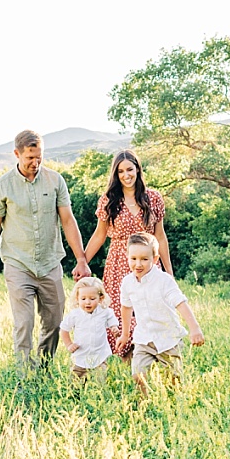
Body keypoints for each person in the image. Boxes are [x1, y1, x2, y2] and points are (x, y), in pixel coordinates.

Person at [0, 131, 88, 367]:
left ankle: (43, 369)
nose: (35, 162)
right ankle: (23, 377)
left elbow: (68, 220)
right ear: (17, 154)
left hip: (50, 263)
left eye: (39, 156)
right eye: (30, 157)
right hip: (19, 265)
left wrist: (81, 259)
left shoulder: (55, 180)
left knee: (55, 322)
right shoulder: (2, 187)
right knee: (24, 324)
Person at [82, 150, 173, 358]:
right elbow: (99, 235)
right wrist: (82, 261)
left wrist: (168, 271)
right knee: (124, 319)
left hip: (148, 264)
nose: (126, 175)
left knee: (149, 316)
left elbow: (160, 237)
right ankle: (131, 369)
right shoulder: (108, 200)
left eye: (129, 169)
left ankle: (153, 364)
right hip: (118, 265)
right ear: (115, 174)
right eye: (120, 171)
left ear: (137, 169)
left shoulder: (153, 198)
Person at [120, 233, 204, 398]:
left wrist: (195, 329)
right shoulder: (127, 282)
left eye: (144, 259)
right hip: (143, 338)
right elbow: (126, 307)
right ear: (127, 256)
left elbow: (181, 303)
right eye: (134, 258)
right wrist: (125, 334)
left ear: (155, 258)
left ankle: (174, 407)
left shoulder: (164, 281)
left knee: (174, 381)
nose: (138, 264)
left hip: (168, 339)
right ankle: (143, 405)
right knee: (138, 375)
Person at [59, 274, 119, 381]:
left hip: (99, 356)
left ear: (100, 298)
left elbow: (112, 321)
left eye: (92, 298)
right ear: (77, 298)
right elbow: (64, 329)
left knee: (99, 383)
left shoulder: (104, 312)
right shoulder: (75, 315)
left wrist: (114, 328)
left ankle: (98, 395)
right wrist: (69, 344)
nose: (87, 302)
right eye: (83, 298)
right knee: (75, 384)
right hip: (80, 357)